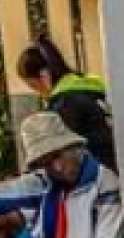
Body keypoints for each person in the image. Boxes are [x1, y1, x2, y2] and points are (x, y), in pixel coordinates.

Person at [17, 34, 117, 173]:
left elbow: (61, 157)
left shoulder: (65, 105)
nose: (38, 92)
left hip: (102, 176)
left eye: (34, 86)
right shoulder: (88, 89)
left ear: (44, 75)